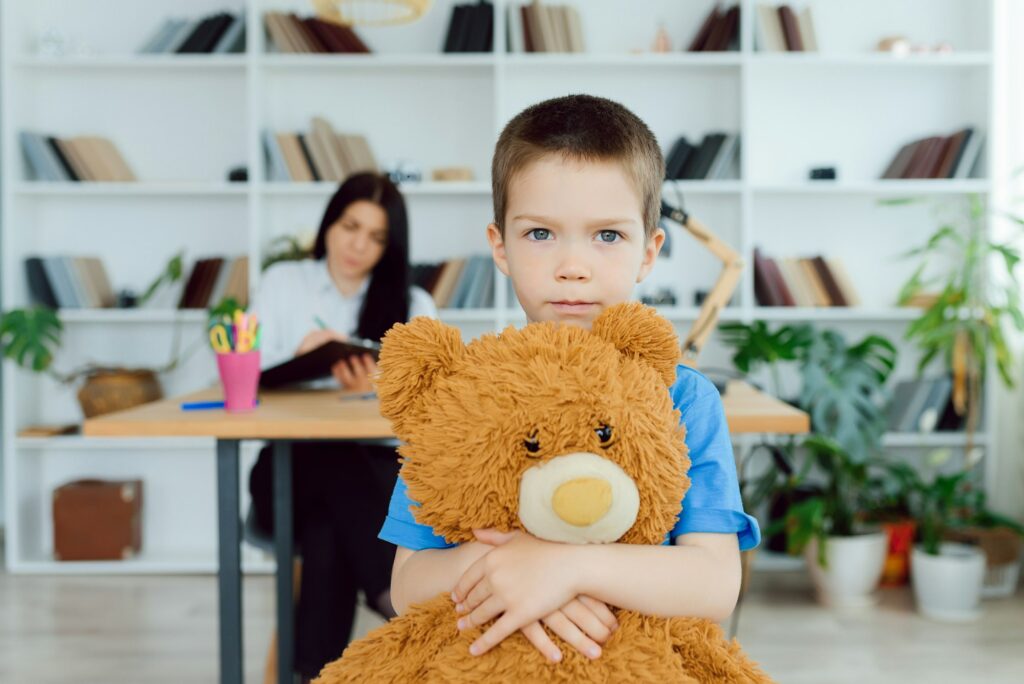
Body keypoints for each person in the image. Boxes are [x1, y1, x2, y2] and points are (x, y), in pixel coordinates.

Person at [378, 95, 761, 664]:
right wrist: (514, 566)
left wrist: (567, 565)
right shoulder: (464, 396)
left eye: (607, 235)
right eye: (540, 234)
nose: (573, 266)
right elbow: (406, 585)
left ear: (648, 252)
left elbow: (714, 585)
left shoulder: (684, 398)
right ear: (500, 246)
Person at [249, 172, 437, 680]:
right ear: (330, 222)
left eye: (375, 236)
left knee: (328, 529)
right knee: (331, 458)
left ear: (390, 246)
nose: (358, 245)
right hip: (286, 470)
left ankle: (311, 674)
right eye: (350, 226)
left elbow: (433, 411)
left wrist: (373, 389)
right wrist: (301, 355)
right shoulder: (282, 283)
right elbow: (242, 381)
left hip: (368, 476)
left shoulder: (412, 307)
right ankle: (395, 597)